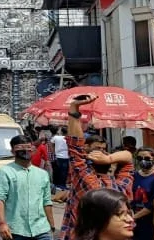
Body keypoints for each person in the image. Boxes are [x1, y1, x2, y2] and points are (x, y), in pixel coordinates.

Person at [60, 95, 134, 240]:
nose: (130, 219)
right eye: (121, 214)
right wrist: (74, 110)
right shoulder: (88, 180)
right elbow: (76, 148)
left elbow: (128, 158)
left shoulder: (118, 188)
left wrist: (108, 158)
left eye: (125, 213)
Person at [0, 134, 55, 240]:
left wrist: (52, 225)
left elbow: (46, 201)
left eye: (28, 147)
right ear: (12, 151)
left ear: (33, 150)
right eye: (20, 148)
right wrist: (2, 223)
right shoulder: (4, 172)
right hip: (16, 230)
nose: (25, 150)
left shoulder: (42, 174)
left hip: (41, 229)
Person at [130, 147, 154, 240]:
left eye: (146, 158)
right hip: (134, 220)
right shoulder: (135, 175)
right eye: (139, 158)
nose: (143, 161)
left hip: (150, 221)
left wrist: (134, 217)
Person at [52, 127, 70, 192]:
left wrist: (54, 151)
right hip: (66, 156)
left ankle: (57, 185)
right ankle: (62, 185)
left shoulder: (55, 137)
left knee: (57, 171)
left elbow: (51, 144)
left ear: (61, 131)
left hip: (58, 156)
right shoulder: (68, 138)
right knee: (64, 172)